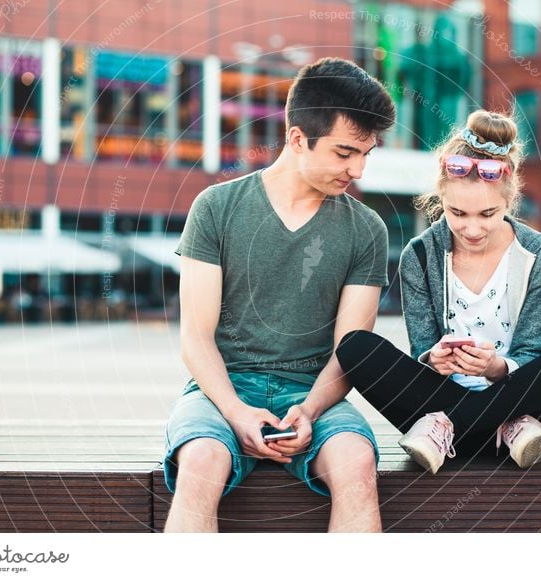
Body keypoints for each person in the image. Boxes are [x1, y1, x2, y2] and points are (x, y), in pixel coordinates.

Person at [162, 57, 396, 532]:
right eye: (345, 152)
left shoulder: (366, 229)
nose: (358, 169)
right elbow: (196, 338)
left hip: (316, 393)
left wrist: (308, 411)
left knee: (355, 464)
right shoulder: (216, 208)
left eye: (367, 154)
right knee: (202, 460)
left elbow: (351, 350)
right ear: (296, 138)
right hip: (221, 389)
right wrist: (236, 412)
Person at [335, 110, 541, 474]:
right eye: (457, 213)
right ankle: (494, 427)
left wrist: (498, 368)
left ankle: (457, 426)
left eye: (487, 214)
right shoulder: (419, 256)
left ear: (510, 194)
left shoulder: (538, 254)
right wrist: (433, 359)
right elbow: (422, 348)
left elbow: (533, 349)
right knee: (355, 347)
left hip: (512, 410)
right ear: (441, 197)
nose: (471, 229)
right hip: (467, 410)